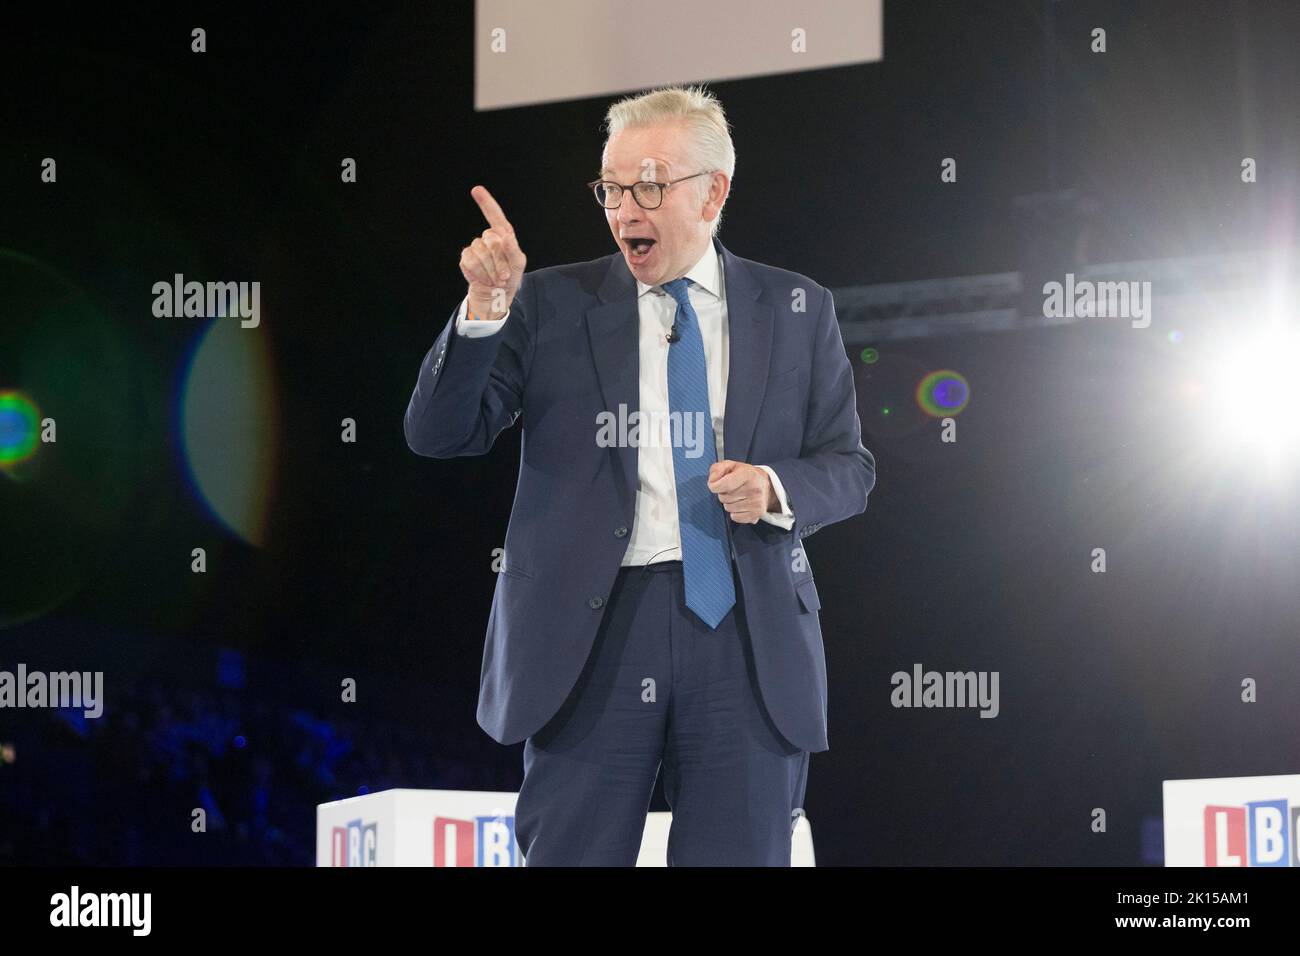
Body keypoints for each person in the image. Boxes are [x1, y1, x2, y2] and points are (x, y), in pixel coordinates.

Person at [404, 85, 876, 865]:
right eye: (611, 189)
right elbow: (439, 433)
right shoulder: (549, 303)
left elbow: (849, 467)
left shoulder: (798, 306)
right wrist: (485, 305)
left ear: (713, 192)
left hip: (744, 636)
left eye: (649, 186)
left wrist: (775, 489)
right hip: (591, 637)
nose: (626, 210)